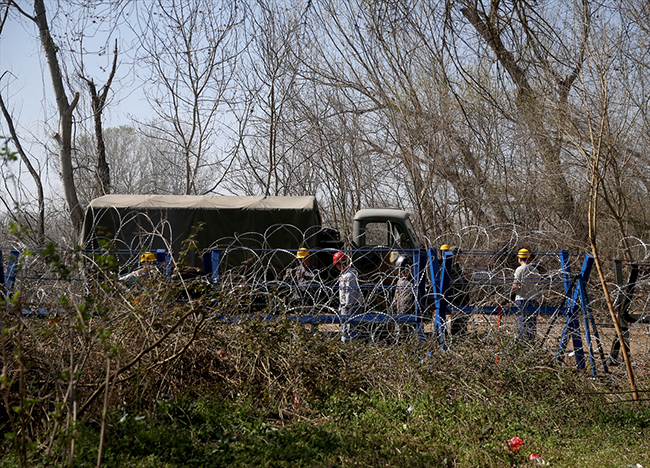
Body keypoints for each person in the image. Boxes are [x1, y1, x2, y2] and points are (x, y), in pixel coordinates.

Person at [510, 248, 541, 340]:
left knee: (521, 320)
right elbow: (538, 285)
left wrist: (511, 293)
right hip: (532, 298)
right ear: (528, 258)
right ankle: (531, 339)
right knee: (531, 321)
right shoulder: (535, 270)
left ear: (519, 259)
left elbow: (516, 284)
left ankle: (522, 340)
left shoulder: (519, 270)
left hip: (521, 298)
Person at [333, 251, 364, 342]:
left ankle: (348, 346)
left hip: (351, 305)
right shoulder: (346, 274)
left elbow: (349, 293)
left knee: (348, 329)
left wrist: (347, 307)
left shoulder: (349, 275)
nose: (336, 267)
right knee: (347, 328)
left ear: (340, 264)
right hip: (348, 305)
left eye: (336, 264)